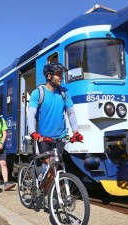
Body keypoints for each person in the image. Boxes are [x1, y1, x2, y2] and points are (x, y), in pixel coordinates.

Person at [27, 62, 83, 205]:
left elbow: (70, 112)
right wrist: (33, 132)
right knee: (49, 166)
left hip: (60, 137)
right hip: (43, 137)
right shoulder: (38, 93)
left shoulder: (64, 92)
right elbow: (31, 115)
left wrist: (75, 131)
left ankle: (48, 194)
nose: (61, 77)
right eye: (59, 74)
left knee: (55, 167)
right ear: (49, 76)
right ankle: (42, 188)